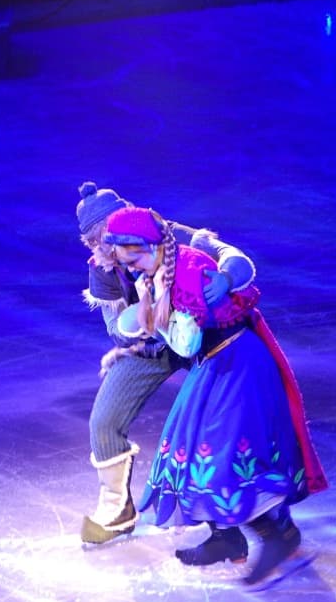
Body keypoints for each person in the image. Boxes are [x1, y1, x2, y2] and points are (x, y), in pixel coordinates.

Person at [102, 206, 329, 585]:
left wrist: (150, 325)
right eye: (127, 262)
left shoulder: (188, 273)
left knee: (225, 459)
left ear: (153, 245)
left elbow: (187, 343)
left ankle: (279, 538)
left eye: (136, 258)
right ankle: (226, 539)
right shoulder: (156, 273)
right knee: (188, 450)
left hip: (237, 364)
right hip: (216, 364)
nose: (133, 268)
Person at [75, 181, 257, 546]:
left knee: (214, 418)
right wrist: (145, 320)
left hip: (205, 340)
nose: (108, 250)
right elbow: (118, 329)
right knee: (104, 420)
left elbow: (234, 258)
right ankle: (116, 508)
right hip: (153, 345)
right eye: (99, 243)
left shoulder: (170, 237)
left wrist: (226, 278)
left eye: (111, 237)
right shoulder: (103, 268)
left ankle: (232, 508)